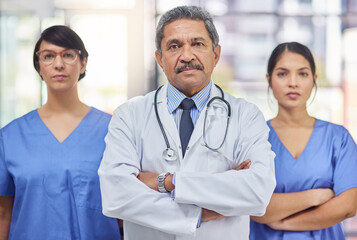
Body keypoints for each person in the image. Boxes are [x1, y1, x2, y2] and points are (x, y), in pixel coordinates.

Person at [98, 5, 276, 240]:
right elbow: (116, 196)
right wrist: (203, 212)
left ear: (216, 54)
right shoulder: (129, 115)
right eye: (174, 46)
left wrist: (167, 181)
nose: (187, 55)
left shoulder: (246, 115)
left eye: (198, 44)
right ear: (159, 59)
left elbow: (257, 192)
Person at [0, 25, 121, 239]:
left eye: (68, 55)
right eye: (48, 56)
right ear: (39, 66)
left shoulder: (113, 131)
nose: (58, 64)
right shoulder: (10, 137)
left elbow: (126, 212)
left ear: (83, 63)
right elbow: (3, 214)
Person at [249, 42, 357, 239]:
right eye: (282, 74)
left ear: (314, 79)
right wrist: (315, 196)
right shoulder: (253, 138)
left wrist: (283, 222)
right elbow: (253, 205)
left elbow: (348, 206)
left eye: (303, 74)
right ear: (269, 79)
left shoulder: (338, 138)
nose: (293, 83)